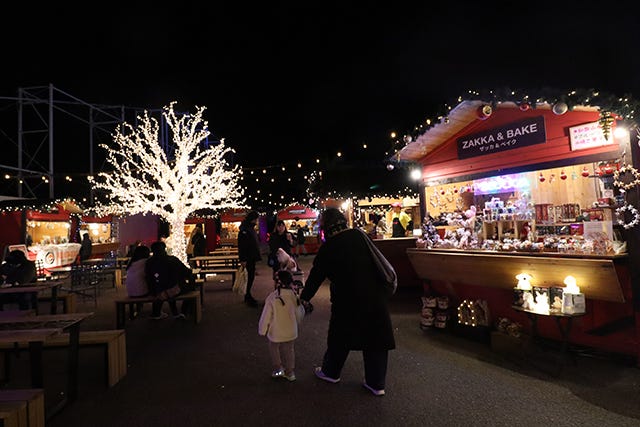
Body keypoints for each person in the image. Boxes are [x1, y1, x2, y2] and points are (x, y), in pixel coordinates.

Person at [300, 208, 395, 397]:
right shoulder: (359, 236)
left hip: (347, 300)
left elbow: (316, 276)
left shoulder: (330, 247)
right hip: (375, 296)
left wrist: (304, 297)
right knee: (375, 338)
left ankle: (330, 372)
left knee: (340, 337)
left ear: (326, 226)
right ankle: (376, 383)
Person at [258, 270, 304, 382]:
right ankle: (290, 372)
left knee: (274, 348)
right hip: (291, 331)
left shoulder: (272, 298)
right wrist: (297, 322)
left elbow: (266, 316)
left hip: (276, 331)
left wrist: (262, 330)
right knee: (289, 349)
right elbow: (299, 313)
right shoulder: (294, 296)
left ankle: (278, 369)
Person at [145, 241, 194, 320]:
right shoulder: (172, 260)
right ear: (164, 249)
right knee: (189, 288)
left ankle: (158, 313)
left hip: (156, 291)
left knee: (164, 285)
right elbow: (186, 272)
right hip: (173, 290)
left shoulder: (149, 262)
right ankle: (183, 312)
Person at [238, 211, 261, 307]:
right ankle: (247, 295)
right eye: (257, 219)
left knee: (250, 277)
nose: (258, 221)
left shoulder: (249, 229)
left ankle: (248, 295)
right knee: (249, 277)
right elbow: (242, 246)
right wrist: (243, 259)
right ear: (253, 219)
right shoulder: (245, 230)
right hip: (248, 258)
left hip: (251, 257)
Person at [125, 244, 151, 317]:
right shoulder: (146, 261)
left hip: (130, 291)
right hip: (141, 292)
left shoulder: (132, 262)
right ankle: (157, 312)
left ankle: (138, 308)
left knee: (140, 282)